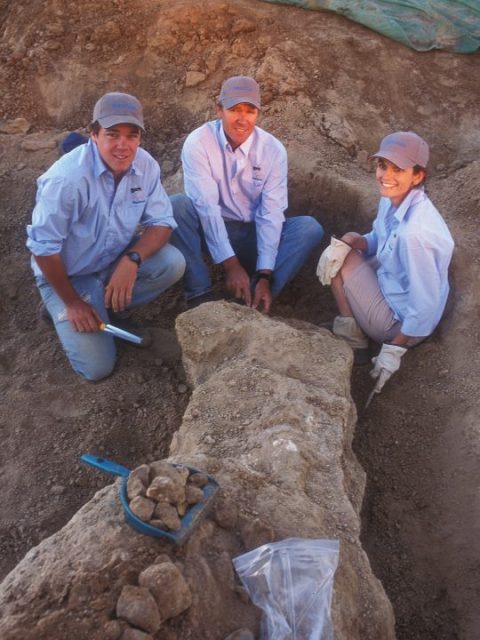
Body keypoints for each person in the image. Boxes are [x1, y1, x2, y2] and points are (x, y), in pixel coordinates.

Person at [26, 92, 186, 381]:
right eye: (112, 134)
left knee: (171, 263)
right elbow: (43, 248)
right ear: (94, 134)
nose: (123, 146)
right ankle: (60, 307)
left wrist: (131, 260)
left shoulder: (145, 165)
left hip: (113, 260)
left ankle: (106, 306)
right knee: (97, 369)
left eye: (132, 135)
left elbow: (162, 222)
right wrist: (74, 303)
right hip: (68, 276)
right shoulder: (66, 180)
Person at [170, 76, 324, 313]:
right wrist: (231, 265)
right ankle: (200, 297)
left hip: (252, 234)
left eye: (250, 111)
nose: (242, 119)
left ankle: (255, 298)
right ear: (219, 110)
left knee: (308, 228)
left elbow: (271, 214)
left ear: (258, 114)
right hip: (209, 230)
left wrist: (264, 273)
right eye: (234, 109)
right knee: (177, 206)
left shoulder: (272, 150)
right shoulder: (198, 143)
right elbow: (206, 207)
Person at [317, 131, 454, 392]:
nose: (386, 176)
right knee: (342, 249)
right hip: (395, 287)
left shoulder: (416, 234)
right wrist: (350, 240)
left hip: (402, 324)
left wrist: (394, 350)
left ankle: (355, 341)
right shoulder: (392, 200)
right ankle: (356, 325)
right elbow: (379, 239)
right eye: (382, 166)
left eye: (398, 169)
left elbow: (425, 304)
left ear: (417, 175)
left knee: (342, 262)